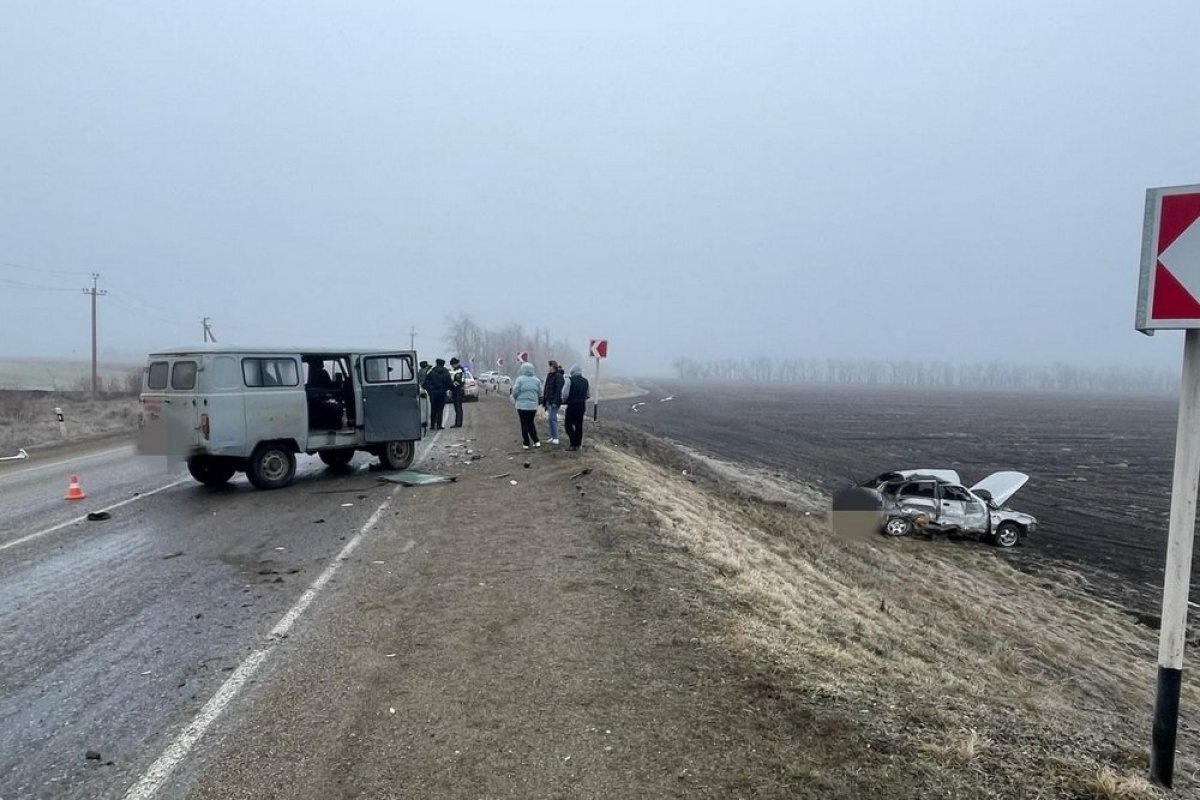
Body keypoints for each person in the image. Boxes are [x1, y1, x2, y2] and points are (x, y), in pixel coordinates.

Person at [510, 361, 542, 449]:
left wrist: (515, 398)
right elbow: (540, 392)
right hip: (533, 406)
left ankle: (526, 442)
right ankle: (536, 441)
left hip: (521, 406)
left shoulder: (520, 379)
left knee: (523, 424)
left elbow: (515, 391)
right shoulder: (537, 380)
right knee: (531, 423)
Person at [561, 364, 590, 451]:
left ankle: (573, 443)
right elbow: (588, 395)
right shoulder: (586, 381)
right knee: (579, 425)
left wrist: (563, 400)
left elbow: (565, 393)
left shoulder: (569, 380)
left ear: (572, 372)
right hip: (582, 405)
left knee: (568, 424)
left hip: (572, 405)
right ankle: (578, 444)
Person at [423, 358, 452, 430]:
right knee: (440, 409)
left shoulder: (431, 372)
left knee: (433, 409)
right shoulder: (446, 372)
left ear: (436, 363)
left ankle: (432, 425)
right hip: (442, 393)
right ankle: (439, 425)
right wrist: (445, 389)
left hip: (433, 393)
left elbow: (425, 383)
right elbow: (449, 383)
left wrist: (430, 389)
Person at [543, 360, 565, 445]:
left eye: (549, 366)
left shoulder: (558, 376)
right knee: (550, 418)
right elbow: (546, 389)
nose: (548, 368)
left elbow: (558, 390)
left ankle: (556, 437)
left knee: (553, 418)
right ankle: (552, 436)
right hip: (549, 400)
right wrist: (544, 400)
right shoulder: (549, 376)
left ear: (552, 366)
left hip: (554, 401)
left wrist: (555, 401)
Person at [448, 357, 466, 428]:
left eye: (452, 365)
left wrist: (452, 384)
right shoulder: (457, 370)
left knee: (458, 407)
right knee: (457, 407)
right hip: (457, 390)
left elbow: (458, 382)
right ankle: (458, 422)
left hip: (458, 391)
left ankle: (458, 423)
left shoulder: (459, 370)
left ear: (455, 364)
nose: (452, 366)